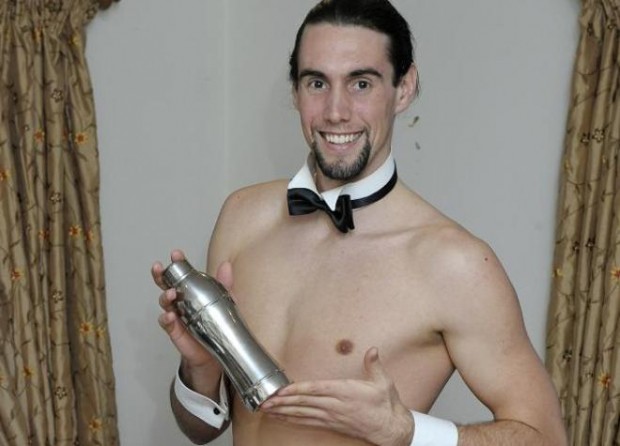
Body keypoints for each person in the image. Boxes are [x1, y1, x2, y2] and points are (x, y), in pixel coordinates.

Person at [152, 0, 568, 444]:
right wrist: (199, 368)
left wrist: (408, 432)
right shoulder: (242, 216)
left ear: (404, 88)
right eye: (317, 83)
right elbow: (203, 430)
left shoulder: (455, 264)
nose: (336, 111)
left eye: (361, 84)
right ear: (295, 91)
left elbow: (547, 438)